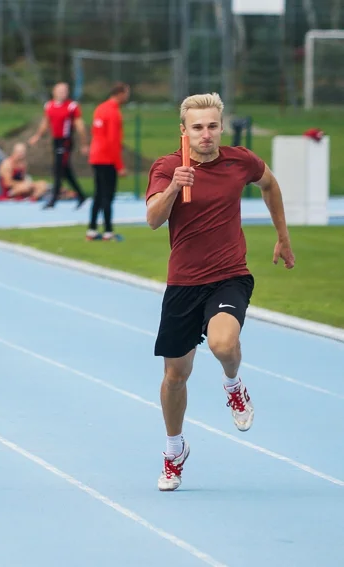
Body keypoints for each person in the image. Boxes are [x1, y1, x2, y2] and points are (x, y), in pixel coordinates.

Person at [144, 92, 295, 492]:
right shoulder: (168, 167)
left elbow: (270, 184)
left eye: (212, 126)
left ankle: (233, 385)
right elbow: (153, 220)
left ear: (221, 127)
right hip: (183, 283)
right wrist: (175, 188)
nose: (206, 134)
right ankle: (174, 450)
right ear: (184, 131)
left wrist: (283, 236)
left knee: (223, 344)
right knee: (175, 376)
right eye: (197, 127)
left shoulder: (239, 161)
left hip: (230, 275)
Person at [28, 81, 88, 209]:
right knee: (65, 171)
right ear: (54, 92)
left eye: (65, 91)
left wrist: (84, 143)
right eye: (60, 90)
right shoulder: (49, 106)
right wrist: (37, 136)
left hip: (65, 140)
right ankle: (82, 196)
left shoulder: (72, 106)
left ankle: (53, 200)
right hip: (56, 141)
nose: (63, 93)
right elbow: (46, 122)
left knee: (57, 169)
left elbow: (80, 125)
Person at [87, 83, 130, 241]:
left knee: (98, 194)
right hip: (107, 158)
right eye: (126, 93)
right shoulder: (113, 112)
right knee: (107, 195)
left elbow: (95, 132)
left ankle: (91, 229)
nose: (127, 97)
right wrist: (119, 165)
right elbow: (113, 141)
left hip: (95, 156)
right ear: (119, 93)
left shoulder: (100, 108)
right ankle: (108, 231)